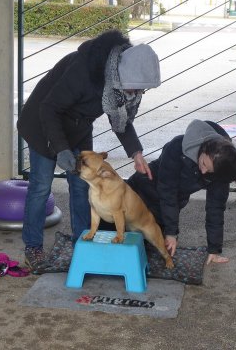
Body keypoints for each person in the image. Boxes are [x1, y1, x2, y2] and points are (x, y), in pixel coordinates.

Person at [17, 29, 161, 274]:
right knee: (41, 187)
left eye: (140, 91)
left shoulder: (120, 83)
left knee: (83, 187)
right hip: (43, 124)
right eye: (134, 89)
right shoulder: (83, 71)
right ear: (122, 76)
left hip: (77, 127)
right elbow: (49, 109)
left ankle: (83, 242)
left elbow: (119, 119)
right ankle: (33, 247)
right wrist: (61, 150)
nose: (136, 95)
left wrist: (136, 153)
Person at [126, 119, 236, 265]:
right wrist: (171, 232)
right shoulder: (177, 147)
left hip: (164, 208)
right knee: (115, 228)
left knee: (144, 246)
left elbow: (215, 209)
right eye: (203, 164)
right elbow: (168, 192)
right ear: (203, 149)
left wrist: (214, 249)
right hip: (141, 189)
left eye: (209, 171)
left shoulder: (222, 167)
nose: (203, 171)